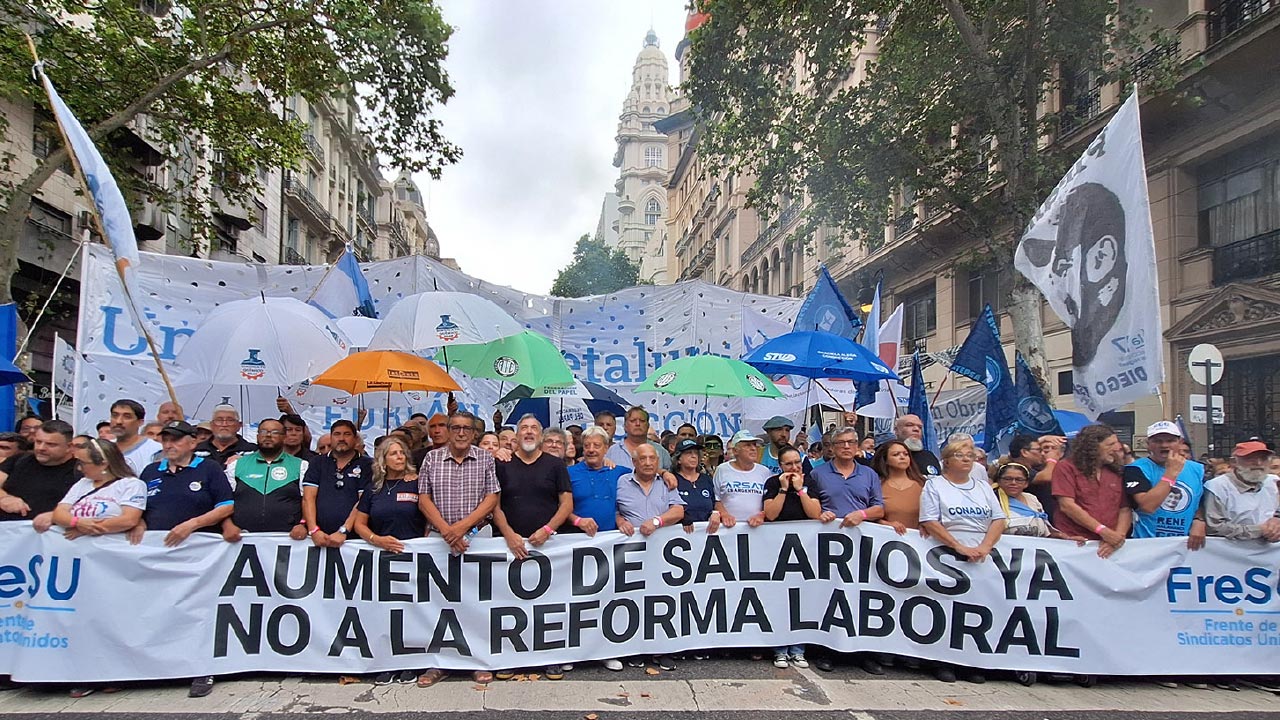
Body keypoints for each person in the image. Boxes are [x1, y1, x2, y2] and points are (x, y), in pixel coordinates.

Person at [131, 420, 236, 698]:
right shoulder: (151, 471)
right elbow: (137, 505)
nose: (169, 445)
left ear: (192, 442)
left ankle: (202, 669)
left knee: (196, 612)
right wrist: (139, 522)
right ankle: (156, 666)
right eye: (165, 439)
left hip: (198, 555)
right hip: (157, 555)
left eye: (176, 440)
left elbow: (225, 504)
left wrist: (193, 524)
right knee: (158, 609)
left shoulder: (208, 469)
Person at [416, 410, 500, 687]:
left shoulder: (485, 458)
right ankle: (437, 663)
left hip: (476, 538)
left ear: (474, 433)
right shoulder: (431, 457)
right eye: (456, 428)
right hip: (439, 540)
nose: (461, 433)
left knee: (476, 603)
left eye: (466, 428)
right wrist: (447, 530)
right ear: (448, 431)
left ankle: (476, 661)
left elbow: (491, 498)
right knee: (438, 604)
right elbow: (423, 499)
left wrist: (462, 528)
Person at [492, 415, 573, 681]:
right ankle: (509, 657)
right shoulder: (501, 464)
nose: (529, 432)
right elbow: (494, 505)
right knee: (508, 605)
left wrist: (548, 530)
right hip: (508, 546)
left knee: (548, 605)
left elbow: (566, 504)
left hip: (548, 546)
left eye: (534, 428)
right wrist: (510, 536)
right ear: (515, 436)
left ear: (540, 435)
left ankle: (551, 657)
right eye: (524, 428)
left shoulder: (555, 465)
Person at [919, 440, 1006, 683]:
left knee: (978, 608)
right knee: (947, 609)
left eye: (971, 455)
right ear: (946, 460)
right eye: (960, 455)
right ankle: (943, 661)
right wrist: (958, 546)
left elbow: (998, 519)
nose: (967, 459)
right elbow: (929, 520)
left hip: (981, 554)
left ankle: (973, 661)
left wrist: (984, 547)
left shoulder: (983, 487)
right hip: (946, 553)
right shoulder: (935, 486)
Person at [808, 426, 885, 675]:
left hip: (861, 543)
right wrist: (820, 513)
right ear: (831, 446)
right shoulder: (818, 474)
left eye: (851, 442)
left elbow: (879, 508)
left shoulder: (869, 474)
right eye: (841, 443)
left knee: (861, 596)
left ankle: (865, 652)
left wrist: (861, 514)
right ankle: (827, 650)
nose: (847, 447)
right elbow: (810, 505)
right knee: (829, 595)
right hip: (830, 543)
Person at [351, 436, 426, 685]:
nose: (399, 457)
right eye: (393, 453)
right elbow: (359, 523)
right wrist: (376, 540)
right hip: (381, 557)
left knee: (412, 611)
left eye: (402, 453)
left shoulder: (418, 484)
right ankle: (386, 661)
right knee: (384, 611)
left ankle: (410, 661)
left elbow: (429, 518)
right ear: (383, 459)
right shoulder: (374, 489)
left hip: (413, 557)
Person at [563, 425, 630, 672]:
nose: (592, 449)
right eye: (588, 445)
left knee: (605, 600)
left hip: (609, 548)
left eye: (597, 445)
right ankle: (573, 651)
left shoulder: (619, 472)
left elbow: (648, 472)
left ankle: (605, 650)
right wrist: (577, 520)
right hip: (575, 545)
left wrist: (666, 473)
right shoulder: (569, 473)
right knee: (575, 600)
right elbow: (557, 505)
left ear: (607, 448)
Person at [616, 443, 684, 672]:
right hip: (630, 553)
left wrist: (657, 522)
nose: (647, 463)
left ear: (658, 462)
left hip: (661, 552)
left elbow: (678, 511)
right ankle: (636, 649)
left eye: (652, 459)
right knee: (632, 600)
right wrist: (619, 521)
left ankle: (661, 649)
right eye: (642, 459)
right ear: (634, 462)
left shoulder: (666, 482)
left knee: (661, 600)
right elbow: (613, 509)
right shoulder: (621, 482)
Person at [762, 446, 821, 669]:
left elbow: (815, 513)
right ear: (780, 466)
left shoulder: (810, 481)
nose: (794, 467)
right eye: (789, 464)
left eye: (797, 462)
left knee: (802, 599)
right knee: (779, 598)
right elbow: (771, 513)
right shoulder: (772, 483)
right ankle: (780, 648)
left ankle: (798, 650)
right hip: (778, 547)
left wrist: (801, 490)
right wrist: (785, 490)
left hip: (805, 547)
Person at [1123, 421, 1206, 549]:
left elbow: (1200, 501)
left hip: (1185, 545)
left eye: (1170, 440)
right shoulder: (1135, 469)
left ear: (1180, 442)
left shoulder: (1198, 469)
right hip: (1147, 544)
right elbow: (1148, 506)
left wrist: (1199, 521)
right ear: (1148, 444)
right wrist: (1171, 473)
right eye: (1157, 441)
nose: (1164, 445)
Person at [1052, 424, 1130, 559]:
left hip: (1110, 548)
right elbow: (1067, 505)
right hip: (1076, 545)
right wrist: (1102, 531)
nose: (1117, 448)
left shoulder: (1116, 471)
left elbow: (1125, 509)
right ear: (1093, 447)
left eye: (1117, 443)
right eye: (1110, 444)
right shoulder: (1066, 467)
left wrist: (1117, 537)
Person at [222, 418, 308, 539]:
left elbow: (309, 501)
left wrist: (303, 524)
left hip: (287, 540)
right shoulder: (237, 465)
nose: (268, 435)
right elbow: (222, 501)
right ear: (257, 436)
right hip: (242, 539)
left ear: (284, 437)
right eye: (263, 431)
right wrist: (227, 525)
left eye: (274, 432)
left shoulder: (301, 466)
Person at [51, 437, 146, 538]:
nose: (79, 468)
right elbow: (59, 513)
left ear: (103, 464)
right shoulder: (83, 483)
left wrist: (87, 530)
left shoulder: (131, 485)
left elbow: (129, 520)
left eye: (83, 463)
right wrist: (77, 522)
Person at [301, 420, 371, 548]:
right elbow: (308, 498)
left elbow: (363, 502)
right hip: (318, 537)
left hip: (353, 539)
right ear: (331, 437)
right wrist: (313, 530)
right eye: (337, 434)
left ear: (355, 439)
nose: (341, 438)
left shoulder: (368, 465)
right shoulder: (317, 462)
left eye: (347, 434)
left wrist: (344, 530)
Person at [0, 420, 79, 528]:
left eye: (51, 444)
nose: (41, 448)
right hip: (8, 534)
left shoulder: (81, 470)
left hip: (53, 537)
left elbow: (93, 503)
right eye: (38, 442)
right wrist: (4, 498)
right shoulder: (19, 460)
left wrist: (57, 516)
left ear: (69, 447)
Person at [1204, 441, 1280, 542]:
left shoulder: (1272, 482)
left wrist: (1276, 522)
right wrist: (1258, 530)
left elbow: (1277, 513)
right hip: (1230, 552)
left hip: (1268, 551)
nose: (1258, 463)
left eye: (1263, 458)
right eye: (1250, 458)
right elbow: (1214, 528)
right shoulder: (1217, 486)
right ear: (1234, 462)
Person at [992, 462, 1086, 541]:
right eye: (1008, 479)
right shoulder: (993, 500)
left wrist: (1067, 539)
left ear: (1026, 484)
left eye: (1019, 480)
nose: (1013, 483)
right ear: (999, 481)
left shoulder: (1032, 499)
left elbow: (1046, 533)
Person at [712, 430, 773, 530]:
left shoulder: (764, 471)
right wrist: (724, 514)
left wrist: (762, 515)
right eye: (747, 445)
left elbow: (769, 500)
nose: (753, 448)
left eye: (754, 445)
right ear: (736, 451)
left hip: (758, 529)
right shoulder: (722, 469)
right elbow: (715, 498)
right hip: (728, 528)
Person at [871, 440, 926, 535]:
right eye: (896, 454)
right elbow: (867, 515)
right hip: (886, 540)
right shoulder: (876, 485)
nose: (902, 457)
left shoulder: (923, 484)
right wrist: (886, 524)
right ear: (885, 460)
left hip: (920, 542)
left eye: (906, 454)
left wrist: (927, 526)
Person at [673, 438, 720, 533]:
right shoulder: (672, 479)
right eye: (688, 453)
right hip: (679, 534)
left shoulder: (706, 480)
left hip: (706, 534)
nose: (693, 456)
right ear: (679, 459)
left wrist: (716, 513)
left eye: (696, 453)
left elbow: (715, 503)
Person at [606, 406, 671, 470]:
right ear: (625, 426)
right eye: (633, 421)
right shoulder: (612, 451)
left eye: (642, 421)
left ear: (648, 426)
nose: (638, 424)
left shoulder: (660, 451)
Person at [109, 399, 163, 476]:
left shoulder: (156, 450)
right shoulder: (103, 448)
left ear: (140, 422)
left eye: (127, 417)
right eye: (115, 415)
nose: (118, 421)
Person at [1009, 434, 1056, 516]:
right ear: (1024, 452)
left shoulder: (1033, 468)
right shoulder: (1016, 469)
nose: (1043, 454)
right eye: (1039, 450)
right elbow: (1047, 476)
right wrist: (1052, 459)